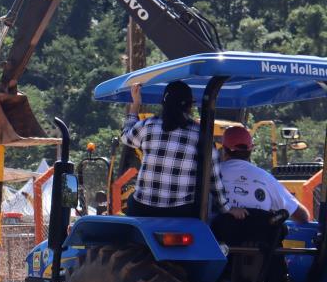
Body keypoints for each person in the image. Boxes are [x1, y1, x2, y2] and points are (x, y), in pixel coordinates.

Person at [121, 81, 228, 217]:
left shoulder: (148, 126)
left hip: (143, 208)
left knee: (131, 200)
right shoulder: (200, 135)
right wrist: (227, 208)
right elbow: (213, 179)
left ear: (164, 103)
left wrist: (135, 104)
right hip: (180, 211)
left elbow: (125, 137)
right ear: (189, 106)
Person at [215, 125, 309, 226]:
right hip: (258, 240)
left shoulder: (211, 176)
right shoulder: (265, 178)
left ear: (224, 149)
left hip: (214, 240)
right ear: (251, 149)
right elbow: (302, 216)